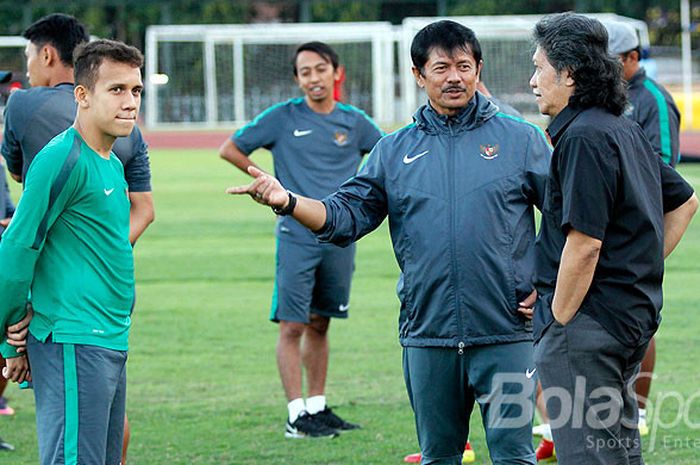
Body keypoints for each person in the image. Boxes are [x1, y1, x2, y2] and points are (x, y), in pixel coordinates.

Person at [228, 20, 551, 465]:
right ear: (419, 76)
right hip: (428, 335)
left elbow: (568, 215)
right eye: (440, 68)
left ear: (479, 69)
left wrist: (547, 282)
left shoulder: (521, 140)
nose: (453, 77)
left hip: (507, 333)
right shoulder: (394, 151)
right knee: (439, 457)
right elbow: (343, 217)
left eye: (463, 65)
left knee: (515, 456)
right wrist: (288, 201)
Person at [530, 13, 698, 465]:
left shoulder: (584, 136)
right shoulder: (619, 126)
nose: (532, 80)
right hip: (625, 318)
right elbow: (685, 201)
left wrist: (558, 321)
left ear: (568, 73)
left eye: (539, 68)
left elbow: (585, 243)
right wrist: (634, 269)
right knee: (617, 450)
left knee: (589, 454)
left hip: (587, 326)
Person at [1, 14, 154, 463]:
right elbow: (16, 248)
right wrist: (10, 340)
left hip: (109, 337)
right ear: (82, 96)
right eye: (117, 90)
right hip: (73, 339)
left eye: (136, 91)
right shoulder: (60, 159)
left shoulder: (108, 161)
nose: (130, 103)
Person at [218, 41, 384, 438]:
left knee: (321, 323)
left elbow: (385, 156)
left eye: (320, 69)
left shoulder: (355, 122)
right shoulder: (282, 118)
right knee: (292, 326)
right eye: (305, 72)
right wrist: (261, 177)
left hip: (339, 236)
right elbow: (230, 149)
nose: (314, 78)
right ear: (297, 79)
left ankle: (318, 406)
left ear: (336, 73)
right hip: (296, 235)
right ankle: (296, 415)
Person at [606, 20, 682, 437]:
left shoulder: (652, 99)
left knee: (640, 320)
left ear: (632, 58)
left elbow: (664, 172)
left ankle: (638, 409)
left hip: (638, 230)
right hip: (604, 230)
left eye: (611, 60)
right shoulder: (605, 96)